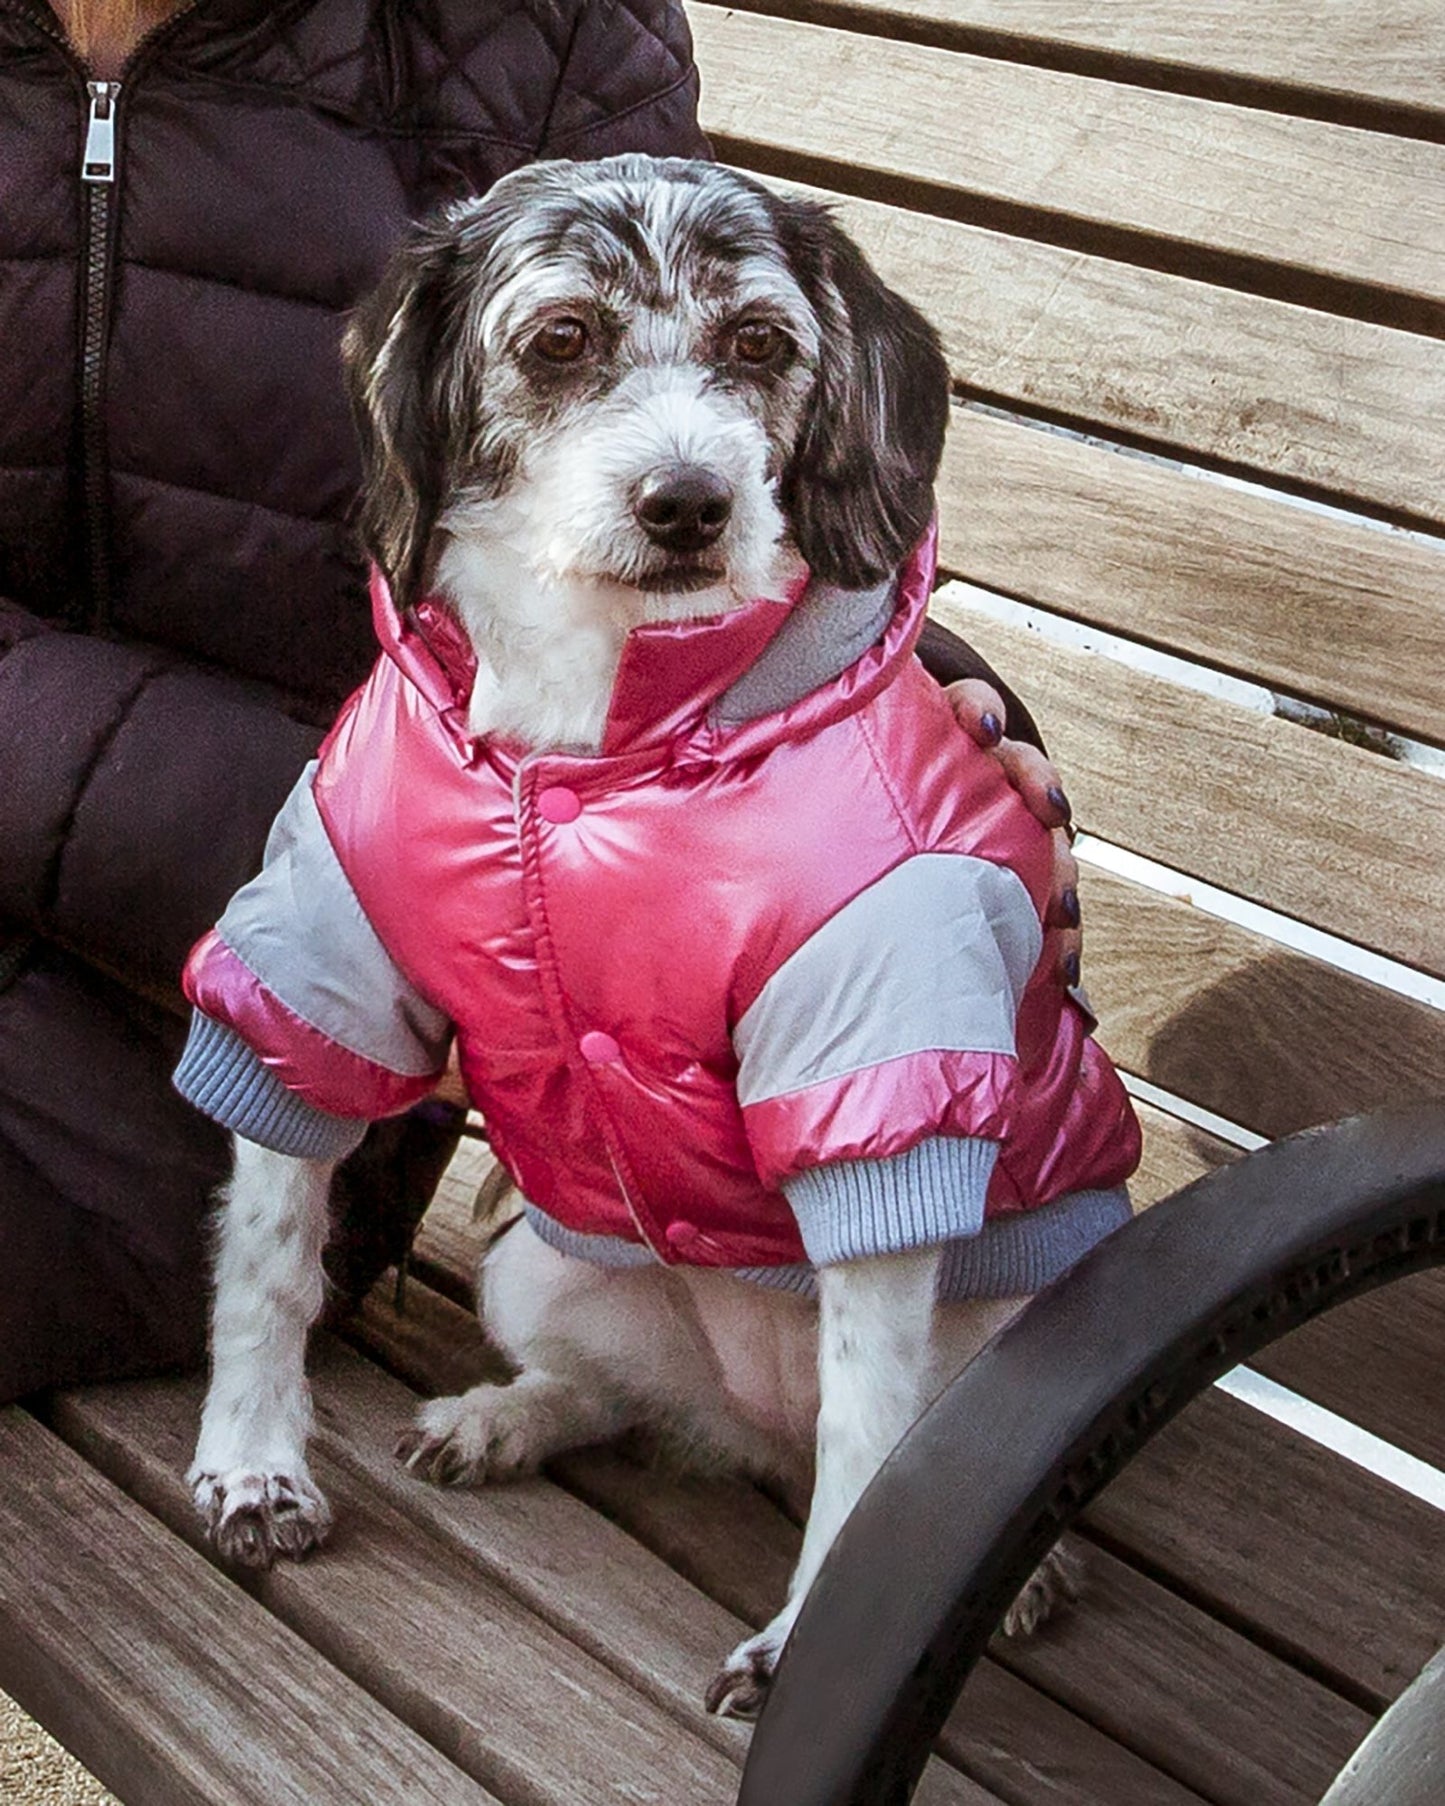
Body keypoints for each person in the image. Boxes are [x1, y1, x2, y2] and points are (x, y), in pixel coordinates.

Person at [0, 0, 1079, 1404]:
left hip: (229, 1063)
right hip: (358, 908)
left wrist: (899, 722)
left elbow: (683, 469)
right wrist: (343, 872)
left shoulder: (541, 28)